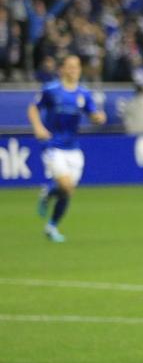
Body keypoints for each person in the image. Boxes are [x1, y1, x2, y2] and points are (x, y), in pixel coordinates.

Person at [28, 54, 107, 242]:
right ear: (62, 69)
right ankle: (49, 196)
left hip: (73, 148)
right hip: (52, 145)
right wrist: (38, 127)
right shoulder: (51, 90)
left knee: (67, 191)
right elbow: (33, 108)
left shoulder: (84, 94)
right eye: (70, 67)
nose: (74, 70)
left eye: (77, 67)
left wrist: (98, 118)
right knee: (66, 185)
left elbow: (93, 115)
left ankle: (51, 225)